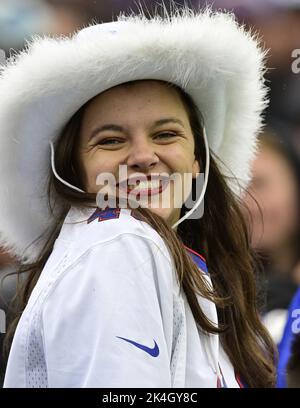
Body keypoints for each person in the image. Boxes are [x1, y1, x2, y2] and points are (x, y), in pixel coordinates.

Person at [0, 7, 276, 388]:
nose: (144, 156)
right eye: (111, 140)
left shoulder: (160, 257)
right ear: (72, 169)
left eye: (165, 134)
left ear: (198, 160)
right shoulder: (119, 244)